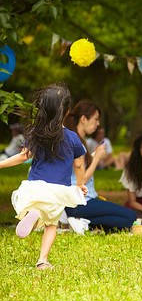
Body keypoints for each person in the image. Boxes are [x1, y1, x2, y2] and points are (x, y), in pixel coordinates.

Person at [0, 83, 87, 269]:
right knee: (51, 225)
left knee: (34, 211)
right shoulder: (72, 137)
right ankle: (42, 260)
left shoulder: (36, 133)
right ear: (67, 112)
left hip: (35, 186)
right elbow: (79, 163)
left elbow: (23, 156)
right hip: (58, 189)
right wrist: (80, 185)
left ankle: (33, 215)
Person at [63, 100, 137, 233]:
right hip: (78, 202)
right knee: (131, 218)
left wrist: (94, 156)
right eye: (96, 119)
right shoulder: (74, 141)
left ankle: (84, 223)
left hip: (85, 200)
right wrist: (96, 158)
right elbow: (81, 181)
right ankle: (79, 221)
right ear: (84, 119)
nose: (98, 124)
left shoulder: (80, 140)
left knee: (126, 219)